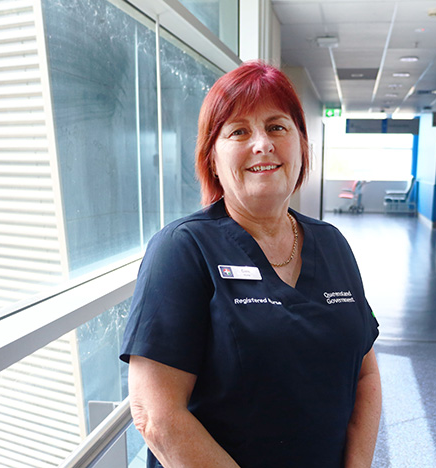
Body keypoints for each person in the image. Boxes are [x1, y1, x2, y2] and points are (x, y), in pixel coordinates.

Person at [119, 61, 381, 468]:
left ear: (301, 144)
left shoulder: (332, 245)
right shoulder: (182, 250)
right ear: (213, 158)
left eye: (277, 127)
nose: (263, 144)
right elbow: (156, 415)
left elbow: (365, 376)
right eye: (239, 131)